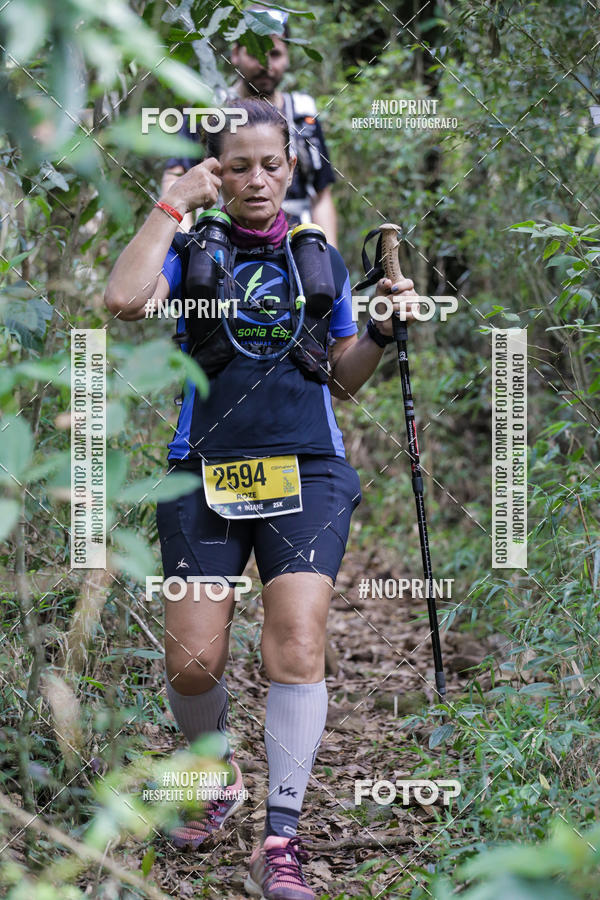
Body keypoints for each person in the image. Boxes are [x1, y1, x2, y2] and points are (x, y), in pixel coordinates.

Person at [105, 98, 417, 900]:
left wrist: (379, 332)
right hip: (201, 469)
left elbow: (341, 378)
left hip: (307, 470)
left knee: (298, 643)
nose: (255, 179)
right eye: (235, 164)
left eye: (269, 164)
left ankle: (280, 837)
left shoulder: (320, 259)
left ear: (290, 167)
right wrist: (174, 200)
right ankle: (214, 776)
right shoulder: (188, 248)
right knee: (194, 657)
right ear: (216, 169)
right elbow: (124, 300)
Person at [161, 5, 338, 245]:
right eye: (256, 53)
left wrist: (325, 259)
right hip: (220, 242)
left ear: (287, 56)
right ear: (235, 53)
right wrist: (185, 249)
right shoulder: (208, 110)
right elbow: (177, 176)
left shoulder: (302, 114)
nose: (266, 64)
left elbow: (321, 194)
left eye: (275, 54)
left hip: (295, 245)